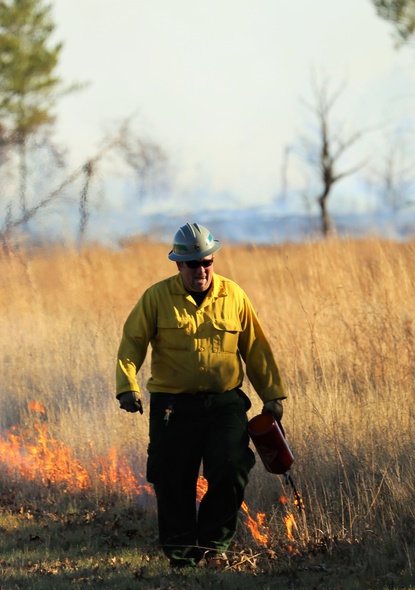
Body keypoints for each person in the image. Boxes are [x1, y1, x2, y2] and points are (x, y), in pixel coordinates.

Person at [115, 222, 287, 568]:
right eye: (193, 263)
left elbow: (255, 347)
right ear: (178, 264)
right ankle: (181, 555)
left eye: (207, 261)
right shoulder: (157, 297)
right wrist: (127, 386)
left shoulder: (234, 295)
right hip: (173, 406)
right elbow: (132, 342)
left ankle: (213, 547)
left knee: (232, 467)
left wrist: (272, 394)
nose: (201, 269)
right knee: (172, 478)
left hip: (224, 403)